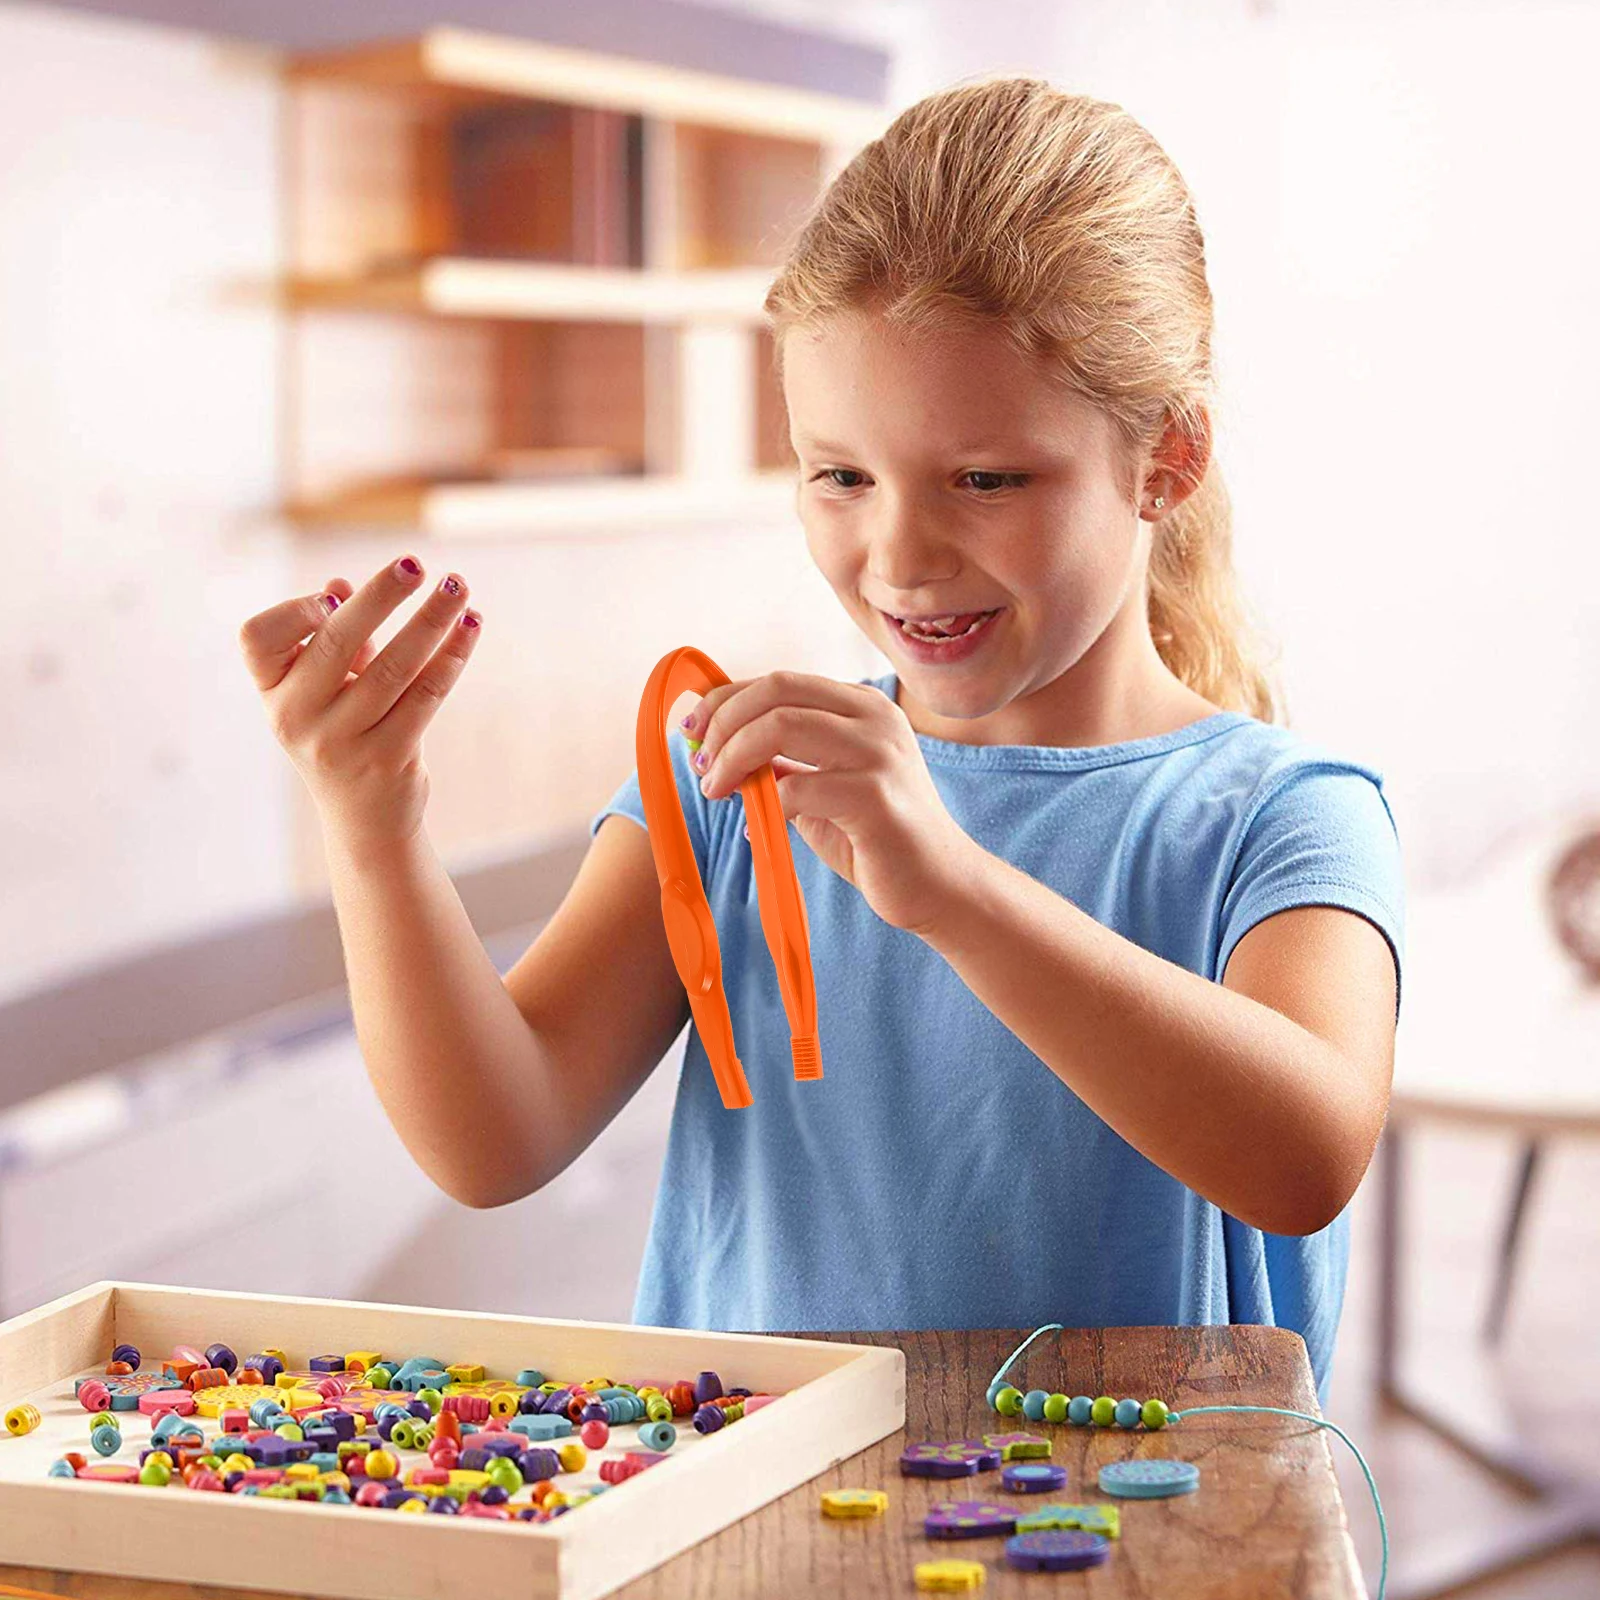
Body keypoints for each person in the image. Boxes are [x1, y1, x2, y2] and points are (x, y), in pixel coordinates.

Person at [238, 78, 1401, 1403]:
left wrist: (953, 890)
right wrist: (374, 822)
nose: (897, 555)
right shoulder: (736, 781)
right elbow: (494, 1137)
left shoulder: (1287, 815)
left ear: (1166, 459)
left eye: (985, 479)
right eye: (839, 474)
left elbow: (1304, 1158)